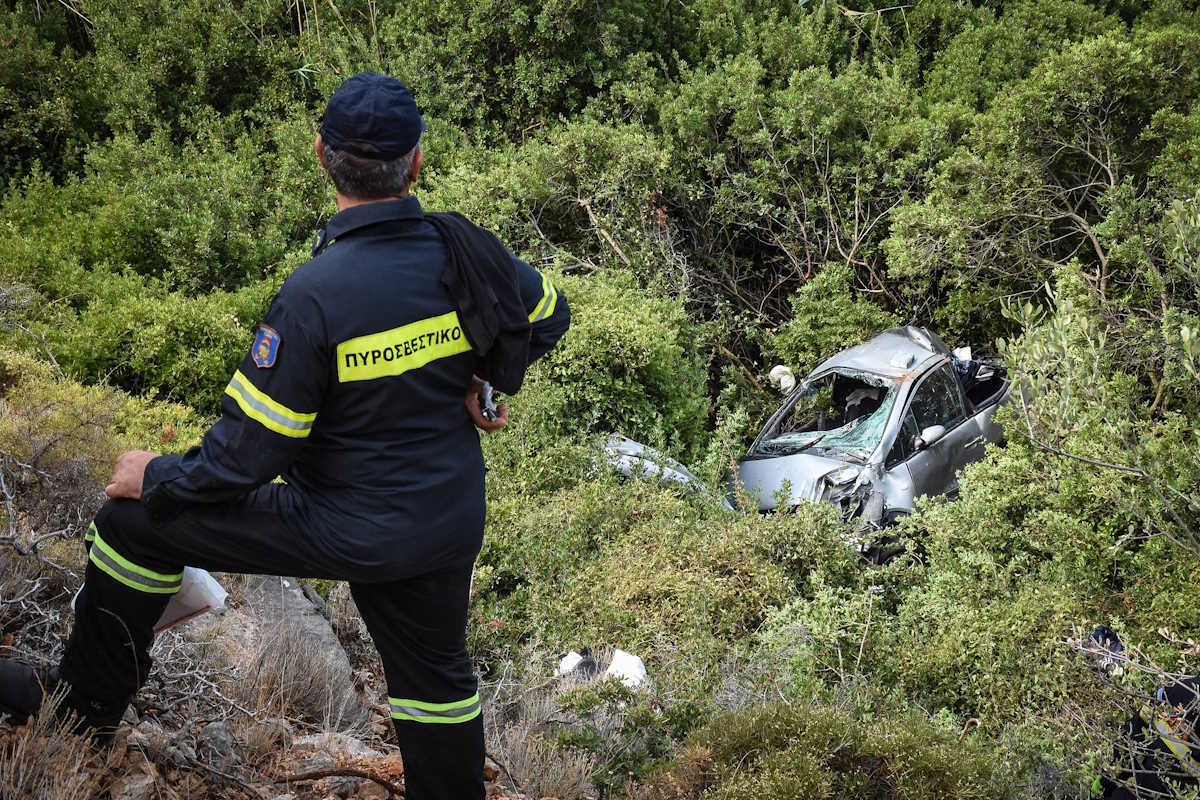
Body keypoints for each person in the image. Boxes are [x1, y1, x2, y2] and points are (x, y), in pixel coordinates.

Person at [0, 72, 570, 800]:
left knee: (129, 523)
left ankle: (84, 709)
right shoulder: (466, 252)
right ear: (418, 161)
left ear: (321, 155)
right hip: (444, 517)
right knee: (438, 682)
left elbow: (250, 453)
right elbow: (549, 316)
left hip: (342, 523)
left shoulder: (314, 297)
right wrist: (485, 381)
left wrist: (156, 476)